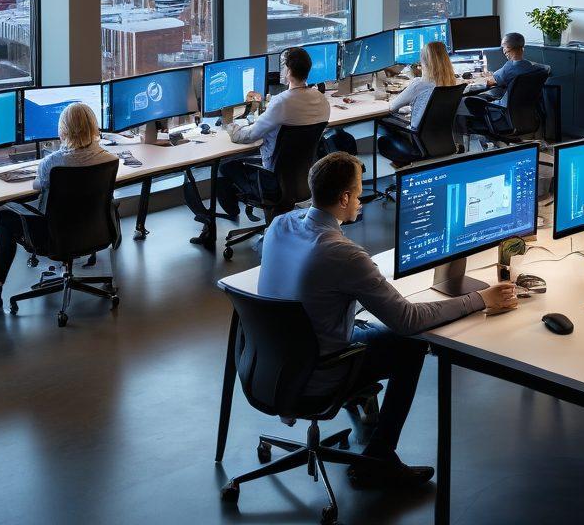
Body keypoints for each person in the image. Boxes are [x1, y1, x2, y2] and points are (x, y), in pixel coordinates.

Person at [259, 151, 518, 488]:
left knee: (365, 326)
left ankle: (362, 402)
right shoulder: (343, 254)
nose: (362, 198)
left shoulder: (281, 224)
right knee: (410, 345)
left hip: (272, 365)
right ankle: (378, 458)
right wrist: (480, 298)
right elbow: (407, 320)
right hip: (317, 371)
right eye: (359, 190)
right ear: (345, 198)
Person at [0, 102, 117, 311]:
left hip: (55, 237)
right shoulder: (109, 159)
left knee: (7, 216)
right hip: (95, 232)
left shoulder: (52, 163)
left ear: (63, 131)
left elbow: (37, 185)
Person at [194, 47, 330, 229]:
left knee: (224, 165)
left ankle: (229, 214)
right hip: (303, 178)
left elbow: (247, 135)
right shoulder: (322, 101)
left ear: (288, 72)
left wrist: (228, 122)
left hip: (273, 178)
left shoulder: (282, 102)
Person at [377, 40, 457, 166]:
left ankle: (401, 169)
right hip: (442, 143)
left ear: (423, 62)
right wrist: (412, 108)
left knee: (381, 123)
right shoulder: (452, 83)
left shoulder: (419, 84)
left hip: (417, 144)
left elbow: (392, 107)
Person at [461, 32, 545, 134]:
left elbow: (490, 82)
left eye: (503, 47)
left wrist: (471, 81)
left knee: (467, 100)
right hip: (526, 115)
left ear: (508, 48)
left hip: (503, 112)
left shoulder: (509, 68)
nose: (503, 50)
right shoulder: (533, 68)